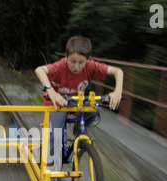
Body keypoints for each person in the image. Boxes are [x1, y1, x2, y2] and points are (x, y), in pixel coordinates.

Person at [35, 36, 123, 170]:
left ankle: (78, 128)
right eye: (72, 61)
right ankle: (49, 162)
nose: (76, 66)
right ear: (66, 56)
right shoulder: (60, 66)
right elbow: (39, 70)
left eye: (81, 62)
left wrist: (117, 91)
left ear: (88, 60)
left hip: (76, 102)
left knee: (94, 111)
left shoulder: (90, 67)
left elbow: (118, 71)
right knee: (55, 134)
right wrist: (51, 92)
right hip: (56, 103)